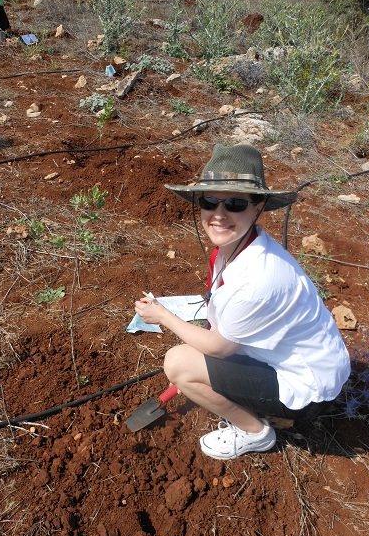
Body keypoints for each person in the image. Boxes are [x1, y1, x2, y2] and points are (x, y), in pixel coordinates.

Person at [134, 143, 351, 460]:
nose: (218, 215)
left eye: (235, 204)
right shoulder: (241, 244)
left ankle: (256, 432)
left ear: (258, 207)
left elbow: (220, 348)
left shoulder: (257, 278)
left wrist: (163, 316)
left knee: (178, 364)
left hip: (307, 387)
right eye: (209, 201)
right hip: (298, 360)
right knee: (193, 352)